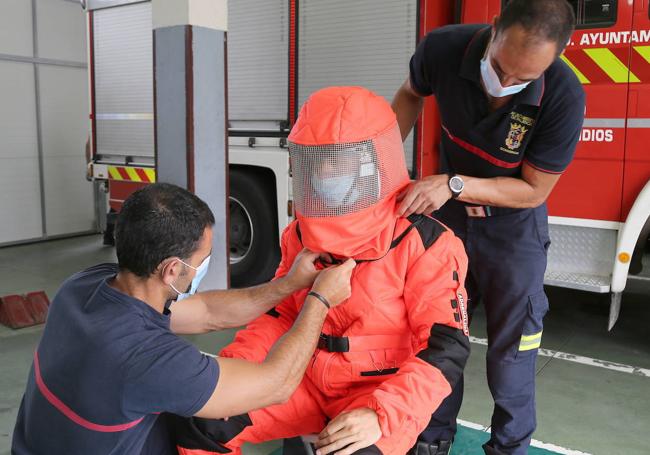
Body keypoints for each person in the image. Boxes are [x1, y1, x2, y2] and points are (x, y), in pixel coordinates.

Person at [171, 86, 471, 455]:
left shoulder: (427, 244)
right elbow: (281, 316)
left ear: (371, 161)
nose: (324, 172)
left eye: (336, 159)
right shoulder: (300, 233)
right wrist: (237, 371)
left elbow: (445, 348)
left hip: (378, 394)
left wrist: (382, 414)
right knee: (200, 421)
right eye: (315, 160)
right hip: (304, 380)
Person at [11, 182, 355, 455]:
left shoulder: (85, 285)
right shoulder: (150, 360)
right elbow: (276, 385)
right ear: (173, 269)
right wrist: (320, 300)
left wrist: (289, 284)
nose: (205, 266)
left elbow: (206, 313)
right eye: (203, 258)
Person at [391, 1, 585, 454]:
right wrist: (382, 165)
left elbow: (534, 192)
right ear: (494, 27)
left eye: (524, 78)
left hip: (513, 231)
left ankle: (508, 449)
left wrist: (455, 184)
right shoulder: (443, 48)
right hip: (450, 225)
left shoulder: (563, 95)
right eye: (501, 67)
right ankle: (431, 440)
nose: (507, 85)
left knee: (512, 354)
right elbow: (409, 94)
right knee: (439, 337)